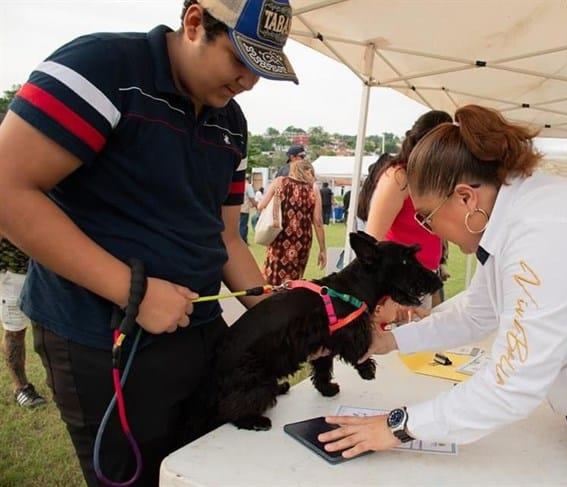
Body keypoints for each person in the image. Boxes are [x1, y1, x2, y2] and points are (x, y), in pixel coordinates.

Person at [319, 105, 567, 486]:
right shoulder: (518, 213)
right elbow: (479, 311)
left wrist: (395, 426)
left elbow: (509, 387)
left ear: (465, 197)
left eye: (426, 216)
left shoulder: (545, 232)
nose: (429, 230)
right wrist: (390, 340)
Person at [0, 0, 299, 484]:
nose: (248, 81)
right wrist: (131, 290)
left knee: (204, 466)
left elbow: (225, 233)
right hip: (102, 337)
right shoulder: (101, 69)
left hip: (200, 330)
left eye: (262, 68)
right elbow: (7, 192)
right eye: (240, 59)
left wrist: (275, 310)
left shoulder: (232, 122)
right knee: (134, 476)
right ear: (195, 22)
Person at [365, 110, 453, 308]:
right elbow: (372, 240)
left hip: (426, 278)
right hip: (398, 286)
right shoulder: (399, 177)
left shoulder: (432, 178)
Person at [259, 160, 326, 285]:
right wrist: (322, 250)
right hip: (303, 240)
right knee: (294, 279)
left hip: (280, 237)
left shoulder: (279, 182)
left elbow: (261, 205)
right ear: (308, 171)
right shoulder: (313, 189)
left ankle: (271, 299)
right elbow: (318, 222)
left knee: (273, 276)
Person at [1, 235, 46, 408]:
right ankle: (21, 388)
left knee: (51, 323)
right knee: (15, 329)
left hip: (45, 264)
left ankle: (58, 377)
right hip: (12, 269)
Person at [239, 174, 257, 244]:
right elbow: (251, 198)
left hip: (237, 208)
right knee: (243, 226)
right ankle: (242, 241)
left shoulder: (240, 185)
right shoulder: (248, 186)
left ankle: (244, 240)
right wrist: (257, 206)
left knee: (239, 225)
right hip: (244, 209)